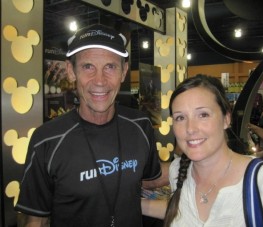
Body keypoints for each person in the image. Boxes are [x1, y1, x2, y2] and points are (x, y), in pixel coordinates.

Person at [15, 24, 162, 227]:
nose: (99, 80)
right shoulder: (47, 140)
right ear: (71, 71)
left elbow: (148, 178)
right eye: (88, 67)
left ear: (124, 71)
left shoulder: (141, 126)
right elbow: (34, 219)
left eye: (110, 67)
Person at [142, 75, 263, 226]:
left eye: (203, 114)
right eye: (180, 118)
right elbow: (184, 211)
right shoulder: (178, 172)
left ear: (226, 119)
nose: (190, 129)